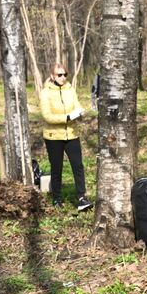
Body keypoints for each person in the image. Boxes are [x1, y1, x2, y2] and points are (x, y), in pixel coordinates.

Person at [38, 61, 90, 211]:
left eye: (65, 74)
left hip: (72, 134)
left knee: (78, 166)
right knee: (57, 167)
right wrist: (67, 117)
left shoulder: (70, 89)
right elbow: (47, 116)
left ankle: (81, 197)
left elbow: (77, 105)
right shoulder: (45, 92)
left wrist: (79, 113)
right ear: (52, 76)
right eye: (59, 75)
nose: (63, 77)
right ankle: (57, 198)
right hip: (53, 136)